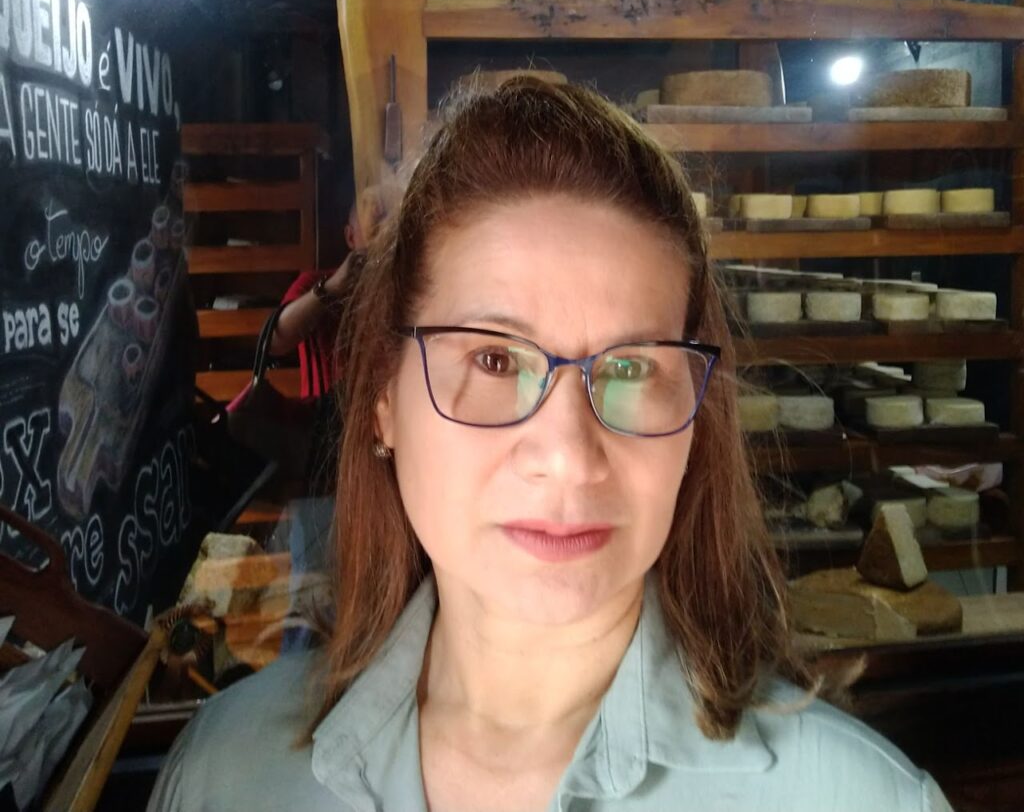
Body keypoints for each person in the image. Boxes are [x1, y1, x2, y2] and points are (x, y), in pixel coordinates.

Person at [148, 79, 953, 811]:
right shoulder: (226, 778)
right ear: (385, 401)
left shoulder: (865, 802)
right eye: (495, 361)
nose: (568, 454)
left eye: (630, 367)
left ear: (696, 419)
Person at [270, 191, 384, 397]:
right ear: (350, 237)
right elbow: (274, 340)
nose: (384, 231)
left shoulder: (405, 285)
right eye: (375, 223)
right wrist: (330, 289)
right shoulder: (316, 282)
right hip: (327, 410)